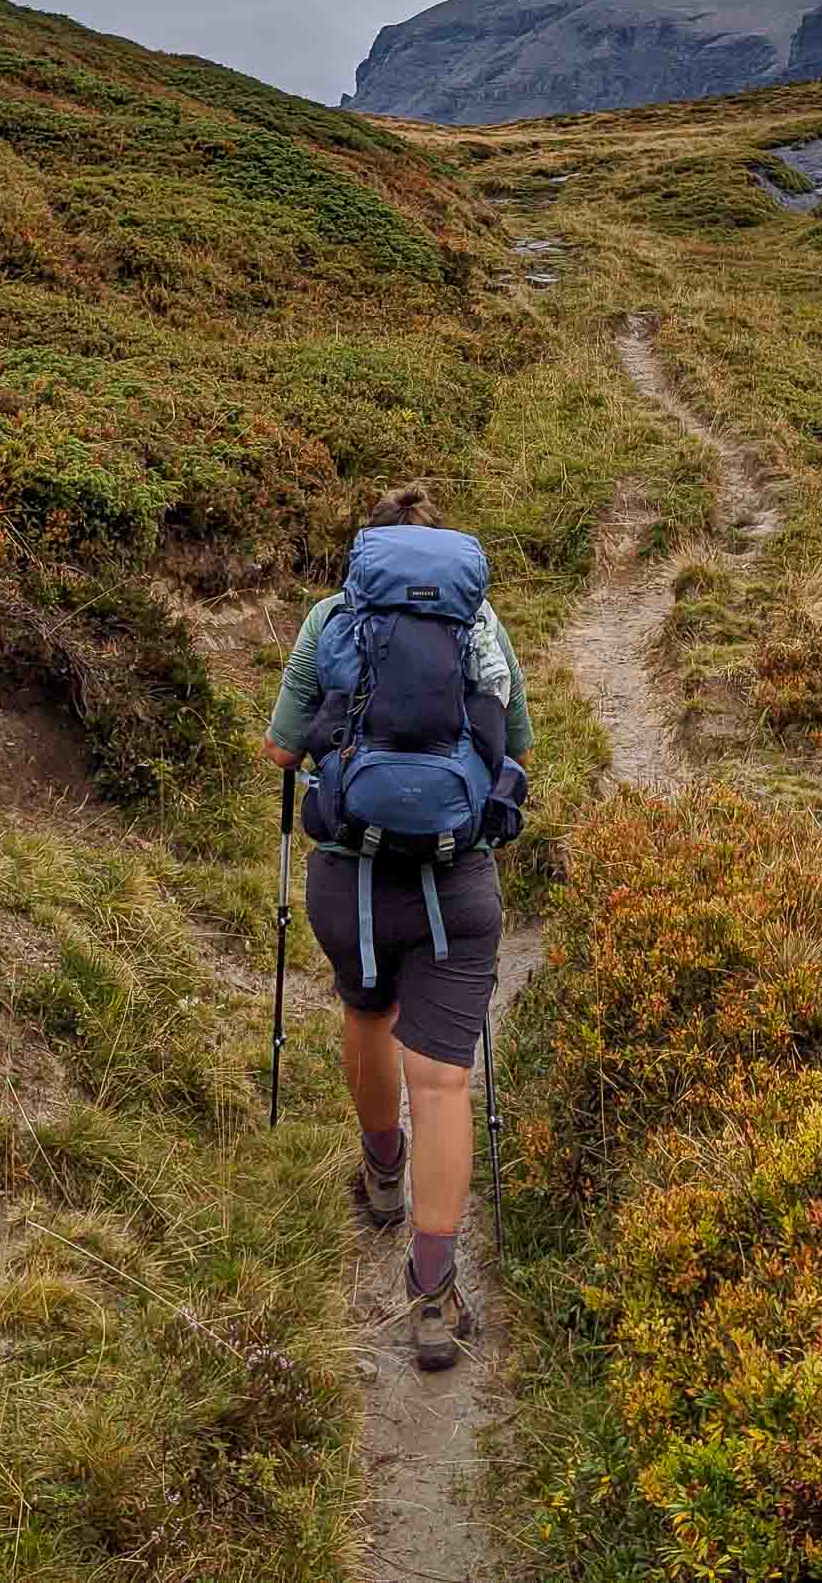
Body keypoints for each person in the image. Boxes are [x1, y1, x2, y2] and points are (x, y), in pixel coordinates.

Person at [262, 481, 533, 1372]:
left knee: (366, 1015)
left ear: (369, 552)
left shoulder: (330, 617)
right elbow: (518, 749)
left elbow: (281, 748)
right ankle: (431, 1294)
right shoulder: (481, 622)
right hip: (457, 881)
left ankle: (383, 1173)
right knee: (445, 1081)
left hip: (352, 877)